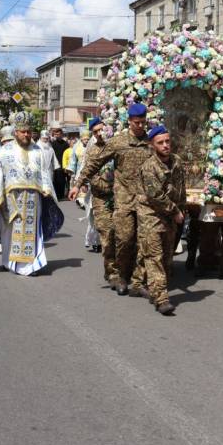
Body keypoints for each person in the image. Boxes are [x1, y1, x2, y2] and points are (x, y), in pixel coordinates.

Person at [70, 102, 152, 294]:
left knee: (144, 241)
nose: (140, 126)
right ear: (130, 122)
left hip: (145, 201)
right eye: (136, 122)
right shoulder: (118, 142)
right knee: (123, 238)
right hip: (123, 200)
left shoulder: (151, 142)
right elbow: (94, 164)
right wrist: (77, 183)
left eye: (143, 122)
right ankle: (119, 274)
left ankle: (138, 280)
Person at [0, 111, 64, 276]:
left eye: (28, 131)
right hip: (11, 199)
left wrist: (47, 188)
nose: (26, 134)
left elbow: (44, 173)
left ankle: (30, 266)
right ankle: (9, 262)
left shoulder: (37, 150)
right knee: (11, 233)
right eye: (23, 132)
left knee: (32, 232)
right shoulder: (6, 150)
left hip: (34, 199)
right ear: (16, 132)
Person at [137, 125, 186, 316]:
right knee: (154, 258)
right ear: (152, 145)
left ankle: (148, 285)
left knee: (167, 258)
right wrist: (175, 211)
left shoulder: (177, 162)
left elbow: (181, 187)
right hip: (151, 217)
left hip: (171, 218)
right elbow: (155, 195)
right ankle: (161, 299)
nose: (165, 145)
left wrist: (182, 208)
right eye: (161, 142)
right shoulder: (149, 167)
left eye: (167, 141)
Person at [82, 119, 115, 271]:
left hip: (120, 196)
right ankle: (112, 271)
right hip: (101, 196)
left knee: (123, 234)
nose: (99, 133)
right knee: (106, 233)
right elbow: (88, 171)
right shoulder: (92, 150)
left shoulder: (117, 145)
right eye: (95, 132)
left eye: (101, 129)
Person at [50, 125, 69, 200]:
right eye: (56, 134)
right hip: (55, 165)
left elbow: (68, 154)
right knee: (56, 181)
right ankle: (57, 195)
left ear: (61, 134)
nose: (57, 135)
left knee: (62, 181)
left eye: (58, 134)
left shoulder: (65, 144)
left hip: (63, 165)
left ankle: (61, 195)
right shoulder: (53, 144)